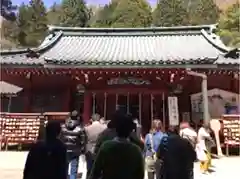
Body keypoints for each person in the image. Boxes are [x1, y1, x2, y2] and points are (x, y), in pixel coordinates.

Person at [88, 112, 145, 179]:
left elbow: (95, 171)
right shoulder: (136, 150)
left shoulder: (106, 146)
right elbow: (140, 174)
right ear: (130, 131)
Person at [60, 110, 87, 179]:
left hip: (64, 149)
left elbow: (60, 138)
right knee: (73, 169)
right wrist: (82, 149)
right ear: (78, 117)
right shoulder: (80, 128)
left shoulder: (63, 127)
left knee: (64, 168)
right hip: (75, 150)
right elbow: (83, 140)